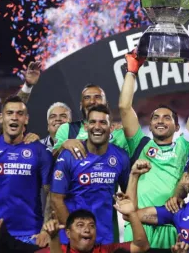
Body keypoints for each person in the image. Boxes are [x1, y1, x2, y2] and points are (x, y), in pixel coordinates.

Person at [119, 48, 189, 248]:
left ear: (177, 127)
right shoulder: (139, 144)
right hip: (139, 223)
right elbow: (125, 107)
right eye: (156, 117)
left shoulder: (183, 147)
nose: (160, 121)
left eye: (167, 117)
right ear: (149, 126)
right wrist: (131, 71)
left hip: (171, 223)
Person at [0, 95, 53, 244]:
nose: (14, 118)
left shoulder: (40, 151)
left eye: (19, 114)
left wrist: (45, 230)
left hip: (31, 234)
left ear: (26, 119)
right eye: (10, 113)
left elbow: (51, 194)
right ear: (2, 118)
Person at [50, 104, 130, 245]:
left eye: (103, 122)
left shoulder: (121, 157)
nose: (97, 126)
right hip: (72, 241)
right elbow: (56, 199)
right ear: (86, 127)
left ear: (111, 128)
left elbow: (128, 195)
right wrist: (74, 233)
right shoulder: (69, 154)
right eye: (92, 122)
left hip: (105, 238)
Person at [39, 195, 150, 253]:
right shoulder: (53, 250)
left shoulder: (108, 250)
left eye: (92, 226)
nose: (87, 229)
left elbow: (142, 246)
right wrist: (54, 238)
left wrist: (132, 214)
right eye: (80, 225)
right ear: (68, 233)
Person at [53, 83, 129, 157]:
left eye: (97, 97)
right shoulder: (67, 129)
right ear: (81, 105)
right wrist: (63, 146)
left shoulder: (120, 132)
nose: (92, 101)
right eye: (87, 98)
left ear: (106, 104)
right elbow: (51, 163)